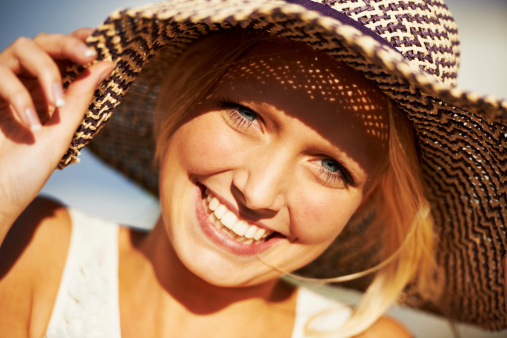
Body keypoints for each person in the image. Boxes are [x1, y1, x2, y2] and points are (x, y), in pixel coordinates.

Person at [0, 0, 505, 337]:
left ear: (367, 200)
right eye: (246, 115)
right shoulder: (31, 249)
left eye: (331, 167)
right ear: (179, 92)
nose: (258, 192)